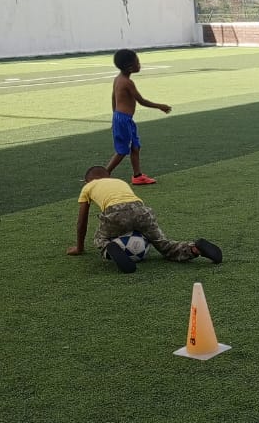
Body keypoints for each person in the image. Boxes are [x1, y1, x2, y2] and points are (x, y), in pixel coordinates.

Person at [67, 166, 222, 274]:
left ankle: (109, 248)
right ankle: (194, 249)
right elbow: (129, 208)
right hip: (141, 210)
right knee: (165, 245)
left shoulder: (88, 187)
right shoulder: (120, 181)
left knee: (100, 239)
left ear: (87, 181)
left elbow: (82, 221)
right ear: (109, 177)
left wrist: (79, 248)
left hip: (115, 213)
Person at [105, 49, 171, 185]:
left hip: (123, 119)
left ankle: (137, 175)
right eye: (138, 62)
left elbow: (113, 98)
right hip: (123, 120)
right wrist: (160, 106)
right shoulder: (127, 82)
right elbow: (141, 101)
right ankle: (103, 174)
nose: (140, 65)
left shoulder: (118, 79)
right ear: (130, 67)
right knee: (122, 151)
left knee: (135, 146)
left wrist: (114, 115)